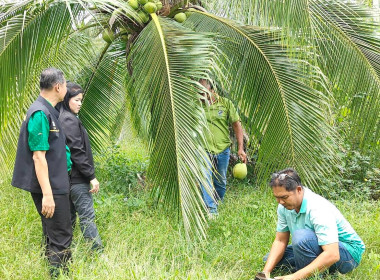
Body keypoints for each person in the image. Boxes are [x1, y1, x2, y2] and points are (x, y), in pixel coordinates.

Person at [12, 68, 73, 277]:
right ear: (58, 86)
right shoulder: (40, 113)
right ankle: (60, 274)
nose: (66, 88)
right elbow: (38, 156)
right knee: (61, 235)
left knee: (52, 233)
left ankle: (52, 272)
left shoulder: (49, 110)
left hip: (55, 182)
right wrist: (47, 194)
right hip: (51, 186)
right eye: (65, 85)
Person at [257, 168, 365, 280]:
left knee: (301, 238)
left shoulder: (317, 207)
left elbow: (333, 254)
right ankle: (312, 268)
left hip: (347, 253)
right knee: (269, 259)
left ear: (298, 190)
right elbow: (280, 240)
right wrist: (265, 273)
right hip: (319, 245)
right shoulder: (283, 207)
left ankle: (312, 275)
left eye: (284, 197)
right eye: (277, 198)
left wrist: (294, 277)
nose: (280, 202)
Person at [57, 82, 103, 251]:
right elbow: (77, 152)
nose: (80, 103)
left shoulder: (64, 116)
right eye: (76, 100)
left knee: (68, 219)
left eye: (81, 100)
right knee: (86, 217)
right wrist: (91, 176)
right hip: (77, 179)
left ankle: (62, 253)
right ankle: (98, 253)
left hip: (68, 179)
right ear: (67, 99)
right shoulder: (68, 120)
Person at [199, 79, 247, 216]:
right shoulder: (197, 105)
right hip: (203, 149)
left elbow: (237, 125)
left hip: (222, 149)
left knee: (220, 182)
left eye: (203, 91)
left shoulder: (225, 103)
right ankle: (212, 210)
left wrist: (240, 149)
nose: (201, 95)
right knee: (205, 179)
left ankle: (218, 201)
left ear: (211, 89)